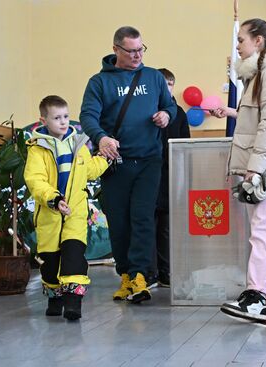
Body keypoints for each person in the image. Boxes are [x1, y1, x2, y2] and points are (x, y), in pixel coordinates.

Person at [212, 18, 266, 322]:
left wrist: (255, 169)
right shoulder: (260, 76)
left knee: (264, 232)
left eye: (241, 40)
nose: (237, 46)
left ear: (259, 41)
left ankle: (255, 297)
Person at [80, 26, 177, 304]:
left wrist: (165, 115)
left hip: (149, 159)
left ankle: (140, 276)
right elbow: (87, 116)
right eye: (131, 51)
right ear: (116, 50)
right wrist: (101, 138)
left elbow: (170, 106)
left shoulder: (154, 77)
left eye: (141, 50)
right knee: (119, 221)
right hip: (116, 162)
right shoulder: (99, 83)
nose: (137, 56)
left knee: (143, 217)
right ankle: (124, 275)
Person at [24, 95, 109, 320]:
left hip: (75, 212)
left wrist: (105, 159)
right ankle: (55, 296)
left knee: (74, 256)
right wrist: (53, 198)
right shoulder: (37, 149)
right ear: (43, 120)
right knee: (50, 263)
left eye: (66, 116)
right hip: (50, 214)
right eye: (56, 118)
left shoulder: (79, 144)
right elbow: (35, 180)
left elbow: (88, 170)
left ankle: (73, 304)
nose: (63, 122)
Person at [147, 68, 190, 288]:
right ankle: (150, 271)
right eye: (163, 84)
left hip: (171, 174)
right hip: (149, 172)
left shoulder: (179, 113)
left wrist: (182, 174)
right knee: (148, 223)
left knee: (166, 225)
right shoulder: (147, 110)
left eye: (171, 84)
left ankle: (166, 270)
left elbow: (185, 145)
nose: (167, 88)